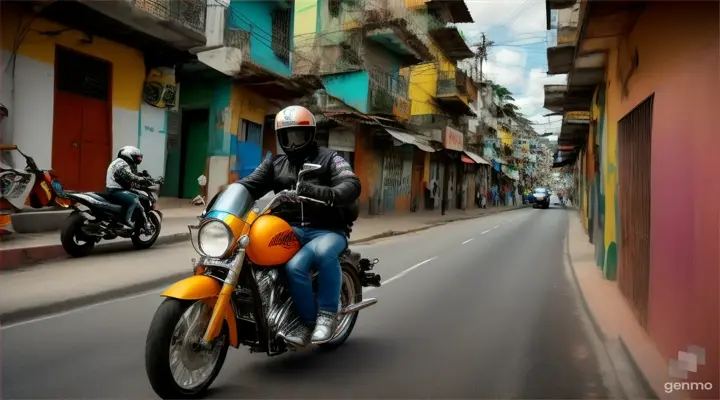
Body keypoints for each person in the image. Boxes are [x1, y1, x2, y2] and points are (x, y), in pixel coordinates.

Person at [236, 105, 361, 347]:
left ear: (311, 134)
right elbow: (249, 184)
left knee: (308, 260)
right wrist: (221, 203)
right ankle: (280, 310)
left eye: (299, 135)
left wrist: (319, 191)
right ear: (280, 137)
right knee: (254, 248)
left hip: (328, 230)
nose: (293, 143)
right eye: (287, 136)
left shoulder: (330, 159)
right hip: (290, 230)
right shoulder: (275, 164)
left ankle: (322, 316)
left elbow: (351, 183)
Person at [105, 146, 153, 232]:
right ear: (128, 154)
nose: (137, 159)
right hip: (116, 190)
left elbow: (130, 174)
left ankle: (117, 220)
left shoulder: (121, 163)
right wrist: (144, 180)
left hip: (115, 189)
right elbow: (130, 176)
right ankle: (127, 222)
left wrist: (141, 175)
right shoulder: (121, 163)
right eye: (135, 157)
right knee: (134, 199)